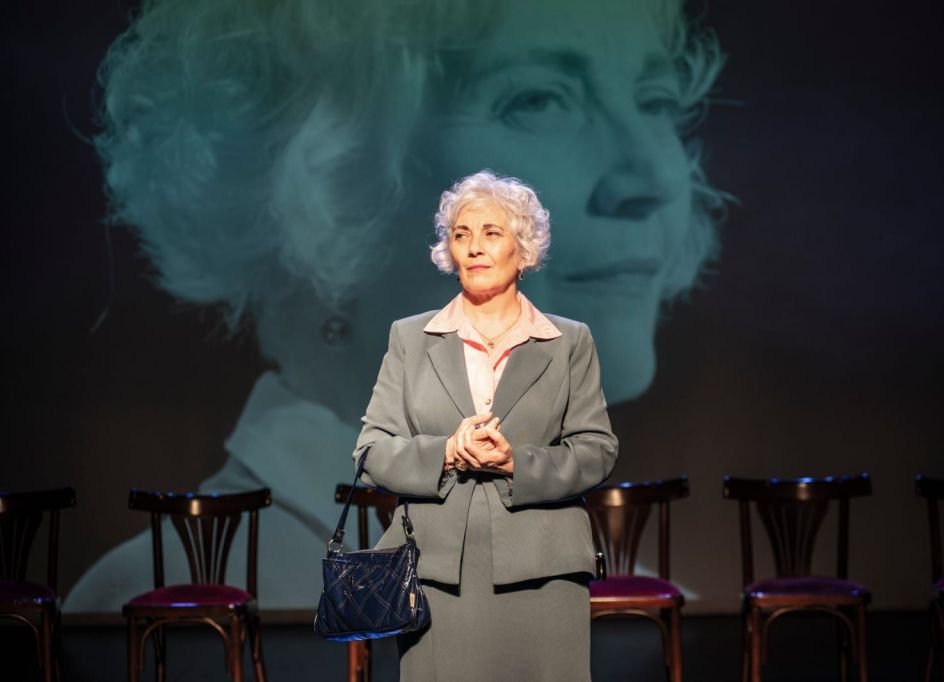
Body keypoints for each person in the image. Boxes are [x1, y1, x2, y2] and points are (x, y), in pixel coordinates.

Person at [67, 0, 724, 611]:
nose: (654, 178)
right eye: (536, 100)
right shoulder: (179, 604)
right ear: (320, 170)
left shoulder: (646, 608)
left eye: (655, 99)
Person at [356, 170, 617, 681]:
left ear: (523, 250)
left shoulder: (569, 341)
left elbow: (597, 450)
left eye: (491, 233)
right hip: (437, 575)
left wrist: (517, 462)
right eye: (461, 234)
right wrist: (446, 453)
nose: (474, 247)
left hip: (545, 570)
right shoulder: (411, 338)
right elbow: (371, 450)